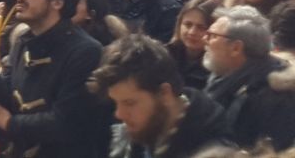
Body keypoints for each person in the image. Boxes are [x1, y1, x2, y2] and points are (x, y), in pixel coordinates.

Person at [0, 0, 111, 158]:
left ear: (57, 2)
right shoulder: (23, 42)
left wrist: (12, 124)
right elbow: (6, 98)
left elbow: (69, 122)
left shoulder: (86, 51)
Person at [90, 34, 232, 158]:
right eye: (116, 102)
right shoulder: (143, 130)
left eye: (130, 103)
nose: (119, 114)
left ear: (164, 93)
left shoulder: (213, 149)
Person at [202, 5, 295, 150]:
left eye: (212, 35)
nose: (204, 39)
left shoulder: (274, 99)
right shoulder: (221, 79)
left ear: (236, 48)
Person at [166, 0, 221, 90]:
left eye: (201, 27)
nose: (192, 32)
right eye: (188, 25)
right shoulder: (164, 56)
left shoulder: (218, 68)